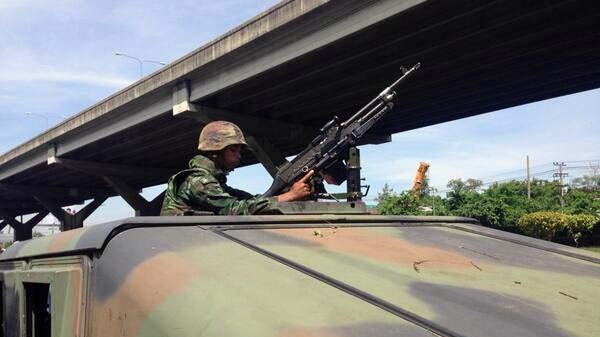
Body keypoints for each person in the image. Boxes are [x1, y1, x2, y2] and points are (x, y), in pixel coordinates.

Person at [160, 121, 313, 216]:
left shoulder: (216, 182)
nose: (239, 156)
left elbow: (250, 200)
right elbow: (234, 210)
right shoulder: (198, 181)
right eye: (233, 150)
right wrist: (287, 197)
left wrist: (285, 193)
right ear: (216, 151)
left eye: (239, 151)